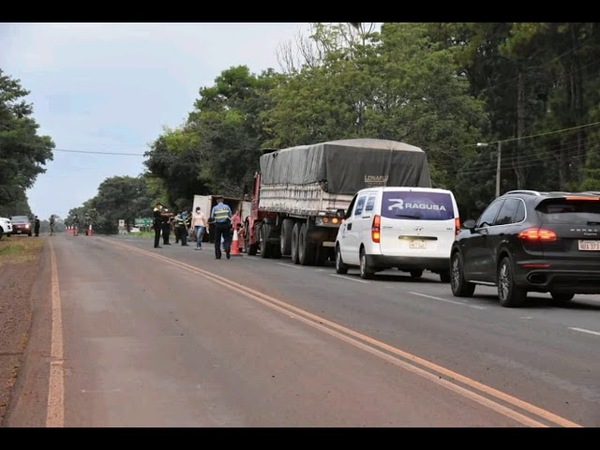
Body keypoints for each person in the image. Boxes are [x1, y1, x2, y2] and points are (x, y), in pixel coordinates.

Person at [210, 195, 233, 259]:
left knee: (217, 240)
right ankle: (227, 248)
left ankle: (218, 255)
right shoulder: (227, 207)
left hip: (218, 225)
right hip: (226, 225)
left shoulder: (215, 208)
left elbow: (212, 217)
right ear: (222, 200)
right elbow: (230, 215)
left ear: (217, 201)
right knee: (227, 238)